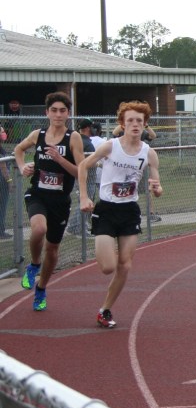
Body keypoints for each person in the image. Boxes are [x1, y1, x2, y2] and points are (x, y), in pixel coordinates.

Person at [77, 102, 162, 329]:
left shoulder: (149, 153)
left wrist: (156, 189)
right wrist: (84, 197)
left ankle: (105, 309)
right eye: (130, 120)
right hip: (106, 210)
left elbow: (158, 187)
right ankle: (106, 248)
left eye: (139, 121)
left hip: (129, 211)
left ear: (145, 124)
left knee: (125, 265)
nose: (135, 124)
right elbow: (83, 166)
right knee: (108, 267)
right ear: (122, 124)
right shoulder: (110, 146)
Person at [13, 92, 86, 311]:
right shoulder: (38, 134)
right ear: (47, 113)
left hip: (60, 201)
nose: (58, 114)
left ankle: (41, 288)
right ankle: (34, 264)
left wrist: (59, 159)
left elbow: (80, 171)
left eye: (62, 110)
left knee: (53, 249)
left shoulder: (73, 137)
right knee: (39, 228)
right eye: (54, 110)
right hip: (37, 194)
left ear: (68, 113)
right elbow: (18, 149)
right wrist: (22, 166)